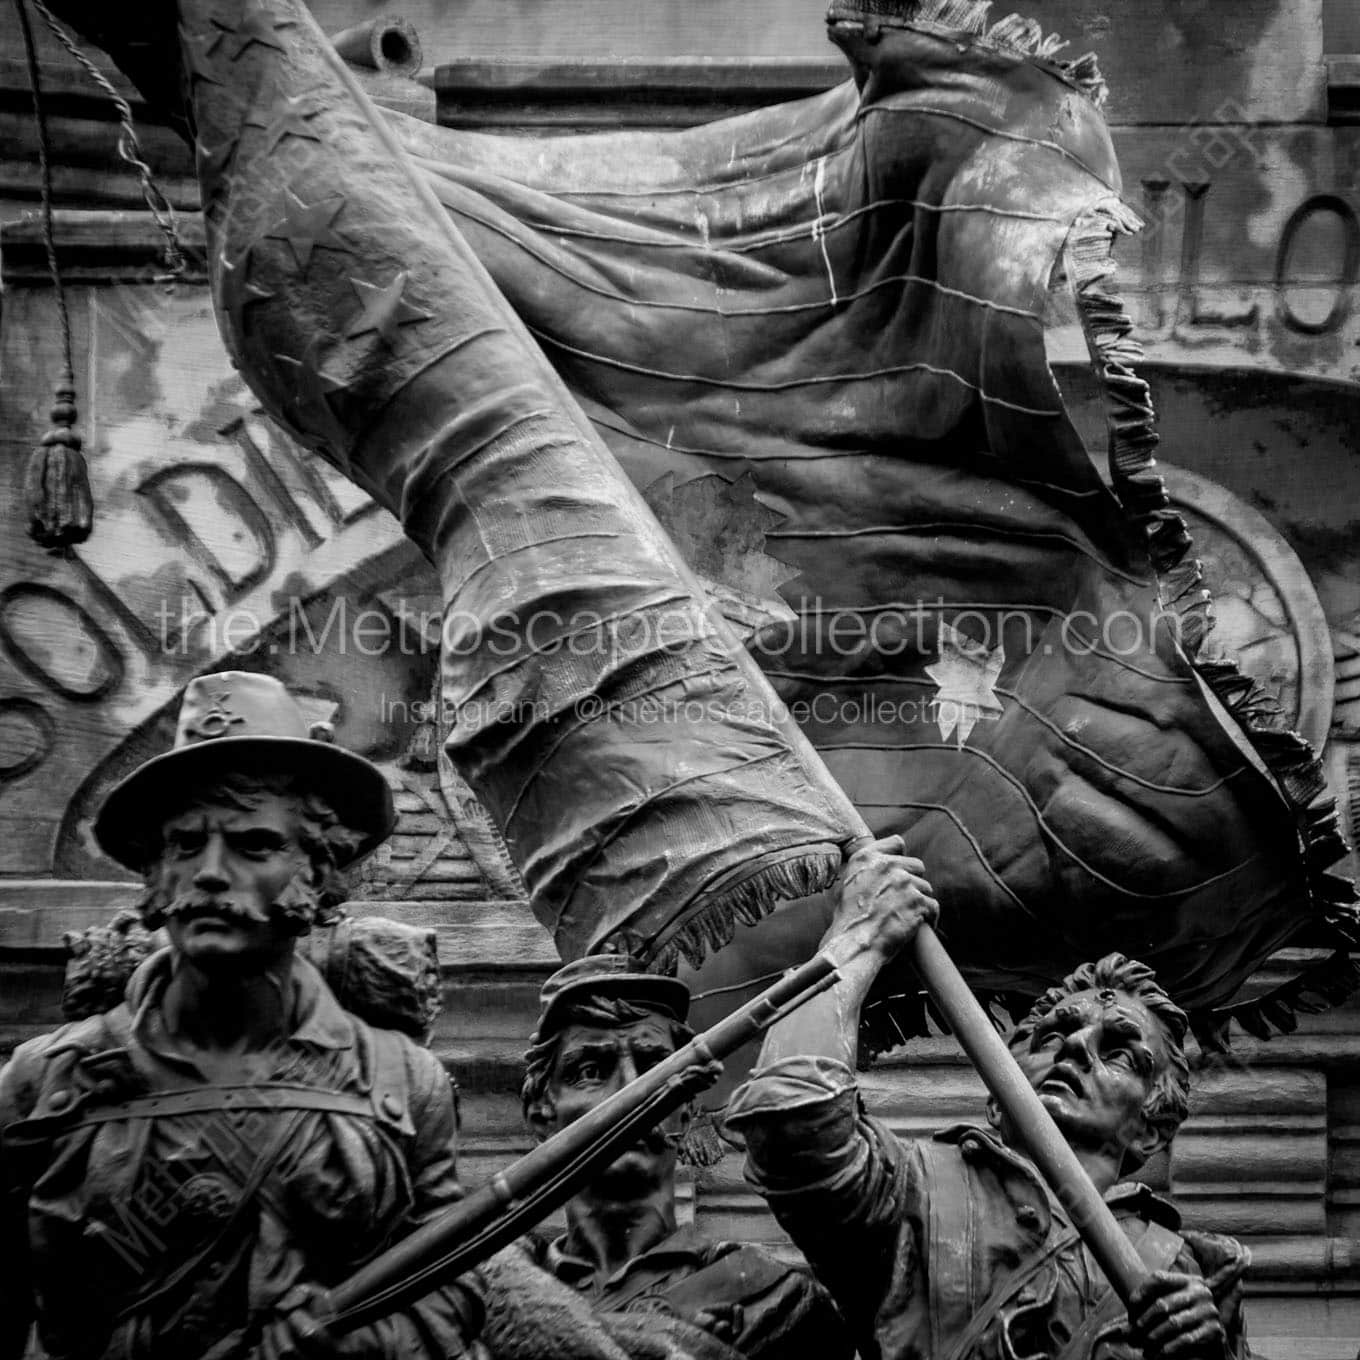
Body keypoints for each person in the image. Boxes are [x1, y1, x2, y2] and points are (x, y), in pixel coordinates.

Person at [0, 672, 485, 1360]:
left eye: (253, 845)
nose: (209, 872)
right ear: (154, 874)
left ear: (316, 871)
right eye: (184, 844)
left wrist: (353, 1343)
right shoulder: (40, 1084)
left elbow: (453, 1288)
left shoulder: (404, 1083)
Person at [726, 837, 1252, 1360]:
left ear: (1151, 1129)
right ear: (999, 1096)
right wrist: (857, 937)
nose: (1075, 1045)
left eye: (1118, 1052)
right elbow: (790, 1114)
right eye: (1052, 1035)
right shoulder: (913, 1187)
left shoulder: (1184, 1273)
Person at [510, 954, 851, 1359]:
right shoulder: (486, 1298)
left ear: (687, 1109)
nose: (631, 1094)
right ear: (541, 1115)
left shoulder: (772, 1304)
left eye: (654, 1066)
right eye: (591, 1070)